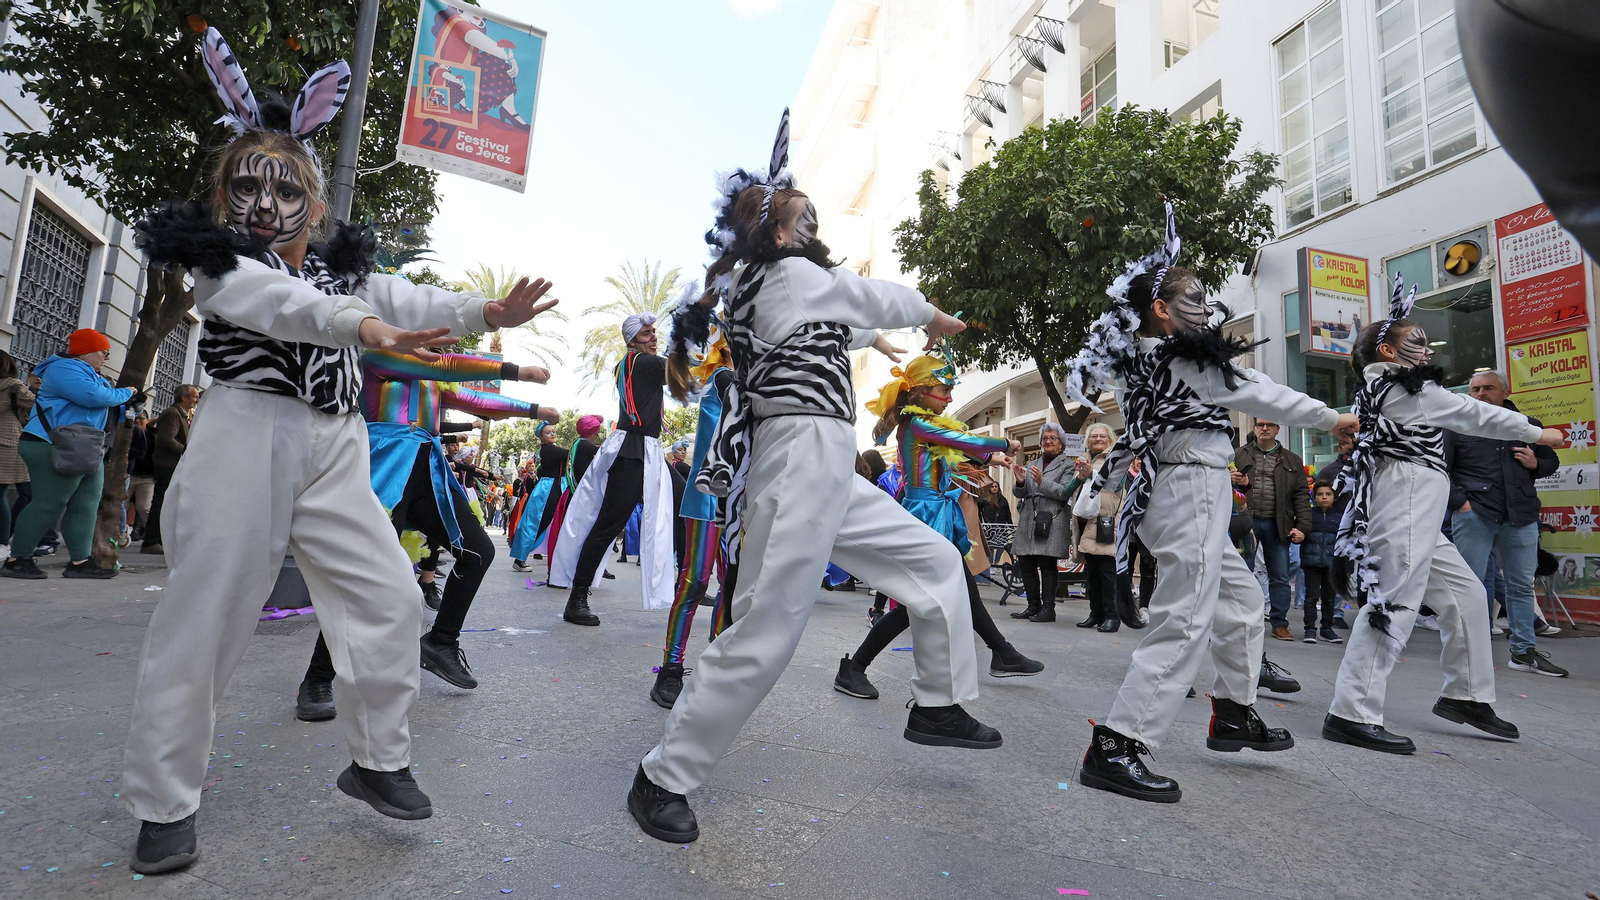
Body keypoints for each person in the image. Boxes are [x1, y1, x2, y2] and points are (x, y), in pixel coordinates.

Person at [119, 27, 559, 875]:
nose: (265, 202)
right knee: (204, 616)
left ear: (315, 206)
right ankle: (163, 803)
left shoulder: (342, 271)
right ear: (222, 199)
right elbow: (286, 307)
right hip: (246, 433)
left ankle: (376, 760)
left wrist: (486, 314)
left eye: (285, 189)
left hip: (334, 443)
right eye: (246, 184)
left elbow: (406, 293)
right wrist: (366, 327)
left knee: (390, 595)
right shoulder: (221, 268)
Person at [629, 111, 998, 845]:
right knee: (767, 625)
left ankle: (937, 703)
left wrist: (891, 334)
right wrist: (932, 316)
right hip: (798, 454)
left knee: (933, 562)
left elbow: (849, 320)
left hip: (826, 459)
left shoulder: (790, 287)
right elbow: (865, 297)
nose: (816, 225)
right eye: (806, 218)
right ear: (776, 234)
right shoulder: (788, 277)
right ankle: (662, 776)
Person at [1060, 203, 1356, 804]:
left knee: (1243, 601)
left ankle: (1233, 711)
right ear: (1160, 311)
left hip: (1193, 488)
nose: (1206, 305)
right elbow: (1258, 390)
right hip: (1191, 488)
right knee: (1186, 618)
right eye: (1191, 297)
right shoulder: (1181, 357)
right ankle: (1117, 744)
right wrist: (1332, 415)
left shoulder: (1146, 355)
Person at [1322, 276, 1563, 755]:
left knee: (1469, 597)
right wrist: (1539, 433)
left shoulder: (1389, 387)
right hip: (1406, 497)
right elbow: (1474, 414)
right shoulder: (1401, 389)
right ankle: (1351, 712)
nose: (1426, 347)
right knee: (1394, 604)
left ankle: (1467, 694)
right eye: (1415, 341)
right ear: (1388, 354)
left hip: (1417, 502)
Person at [295, 349, 555, 720]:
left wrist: (531, 410)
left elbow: (474, 398)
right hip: (384, 469)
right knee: (361, 577)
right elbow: (443, 365)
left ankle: (441, 642)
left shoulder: (433, 377)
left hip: (428, 474)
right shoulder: (380, 357)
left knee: (477, 551)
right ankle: (317, 678)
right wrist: (514, 371)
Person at [834, 353, 1044, 700]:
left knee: (947, 591)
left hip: (936, 511)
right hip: (924, 514)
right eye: (942, 390)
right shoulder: (917, 425)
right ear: (918, 394)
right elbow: (962, 443)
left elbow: (951, 454)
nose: (948, 397)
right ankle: (854, 668)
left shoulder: (924, 427)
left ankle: (1002, 653)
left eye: (949, 390)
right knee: (920, 601)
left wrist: (993, 458)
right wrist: (1004, 443)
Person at [549, 315, 676, 624]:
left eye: (654, 333)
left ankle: (691, 587)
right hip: (634, 451)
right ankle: (576, 597)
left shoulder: (630, 363)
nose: (653, 338)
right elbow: (683, 369)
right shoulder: (642, 363)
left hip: (646, 451)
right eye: (647, 334)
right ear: (632, 340)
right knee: (608, 524)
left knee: (687, 505)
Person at [1444, 371, 1567, 678]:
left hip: (1520, 514)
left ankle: (1524, 651)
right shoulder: (1456, 425)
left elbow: (1551, 460)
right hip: (1475, 514)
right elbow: (1440, 470)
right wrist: (1461, 503)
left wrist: (1536, 463)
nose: (1481, 393)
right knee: (1469, 585)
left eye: (1488, 388)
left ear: (1504, 390)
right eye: (1475, 389)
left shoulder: (1526, 424)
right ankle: (1468, 650)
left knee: (1521, 586)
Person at [651, 293, 740, 708]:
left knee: (734, 585)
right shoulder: (719, 382)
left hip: (742, 500)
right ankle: (670, 670)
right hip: (707, 498)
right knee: (695, 581)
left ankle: (716, 665)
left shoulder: (756, 380)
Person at [0, 329, 139, 580]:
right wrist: (126, 393)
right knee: (49, 503)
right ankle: (16, 559)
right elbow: (92, 397)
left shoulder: (93, 375)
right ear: (86, 352)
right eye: (103, 352)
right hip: (52, 443)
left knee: (85, 504)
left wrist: (128, 408)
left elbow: (103, 406)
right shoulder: (64, 368)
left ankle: (79, 561)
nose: (106, 357)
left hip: (84, 447)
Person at [1232, 419, 1311, 641]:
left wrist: (1303, 527)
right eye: (1260, 424)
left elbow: (1301, 497)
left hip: (1278, 525)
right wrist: (1231, 480)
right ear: (1254, 428)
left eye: (1270, 424)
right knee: (1241, 574)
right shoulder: (1239, 455)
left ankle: (1279, 623)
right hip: (1244, 523)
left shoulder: (1292, 460)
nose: (1264, 428)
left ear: (1278, 429)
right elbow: (1219, 486)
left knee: (1279, 576)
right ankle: (1241, 621)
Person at [1008, 422, 1074, 622]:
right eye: (1044, 438)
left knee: (1047, 564)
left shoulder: (1068, 464)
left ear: (1061, 443)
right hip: (1029, 518)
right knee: (1026, 563)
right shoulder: (1034, 464)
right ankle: (1032, 606)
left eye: (1052, 438)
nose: (1048, 441)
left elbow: (1064, 492)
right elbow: (1022, 493)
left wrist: (1041, 482)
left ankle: (1048, 609)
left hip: (1051, 519)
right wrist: (1020, 482)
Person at [1068, 423, 1129, 632]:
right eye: (1094, 436)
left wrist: (1093, 473)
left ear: (1110, 439)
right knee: (1091, 573)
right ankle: (1095, 614)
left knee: (1107, 572)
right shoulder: (1084, 459)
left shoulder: (1117, 457)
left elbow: (1118, 485)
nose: (1098, 438)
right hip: (1086, 522)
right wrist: (1082, 475)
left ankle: (1112, 616)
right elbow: (1071, 488)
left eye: (1103, 435)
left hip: (1106, 521)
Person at [139, 384, 200, 554]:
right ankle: (151, 541)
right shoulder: (173, 414)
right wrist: (186, 452)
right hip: (167, 465)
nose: (196, 400)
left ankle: (157, 539)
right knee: (161, 502)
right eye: (194, 396)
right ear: (184, 397)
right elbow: (166, 439)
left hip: (171, 464)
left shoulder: (180, 414)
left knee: (167, 503)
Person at [544, 415, 604, 580]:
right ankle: (572, 570)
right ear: (593, 432)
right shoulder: (585, 445)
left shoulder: (578, 443)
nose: (598, 435)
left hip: (572, 492)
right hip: (580, 495)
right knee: (579, 533)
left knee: (573, 532)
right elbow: (606, 454)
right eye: (597, 431)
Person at [509, 421, 563, 570]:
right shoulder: (548, 450)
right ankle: (519, 559)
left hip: (555, 487)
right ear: (541, 438)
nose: (552, 434)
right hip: (548, 490)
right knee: (538, 523)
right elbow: (570, 454)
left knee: (549, 523)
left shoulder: (550, 449)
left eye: (553, 431)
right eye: (548, 432)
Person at [0, 350, 35, 556]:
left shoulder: (13, 387)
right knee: (2, 494)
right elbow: (37, 405)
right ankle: (3, 541)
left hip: (5, 444)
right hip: (7, 444)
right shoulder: (14, 386)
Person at [1299, 480, 1343, 644]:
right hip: (1311, 563)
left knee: (1329, 598)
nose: (1324, 497)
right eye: (1320, 494)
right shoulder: (1309, 516)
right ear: (1314, 497)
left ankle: (1326, 628)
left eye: (1328, 494)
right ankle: (1310, 629)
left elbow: (1346, 543)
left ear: (1334, 497)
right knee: (1311, 597)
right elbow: (1301, 534)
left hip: (1332, 565)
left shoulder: (1340, 518)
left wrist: (1346, 566)